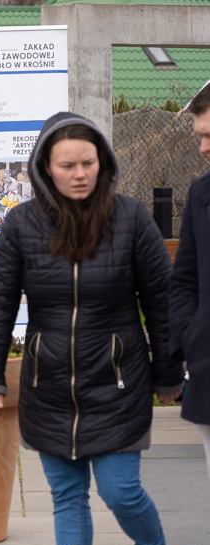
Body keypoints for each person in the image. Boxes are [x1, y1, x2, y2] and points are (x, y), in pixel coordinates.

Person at [0, 112, 182, 545]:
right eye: (68, 165)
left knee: (119, 490)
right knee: (67, 497)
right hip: (48, 388)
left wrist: (168, 374)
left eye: (88, 162)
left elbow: (162, 304)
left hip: (117, 386)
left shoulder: (131, 220)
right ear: (45, 167)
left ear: (102, 161)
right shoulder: (22, 225)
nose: (80, 174)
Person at [169, 81, 210, 482]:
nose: (203, 149)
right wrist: (190, 335)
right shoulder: (200, 195)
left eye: (209, 136)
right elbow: (183, 280)